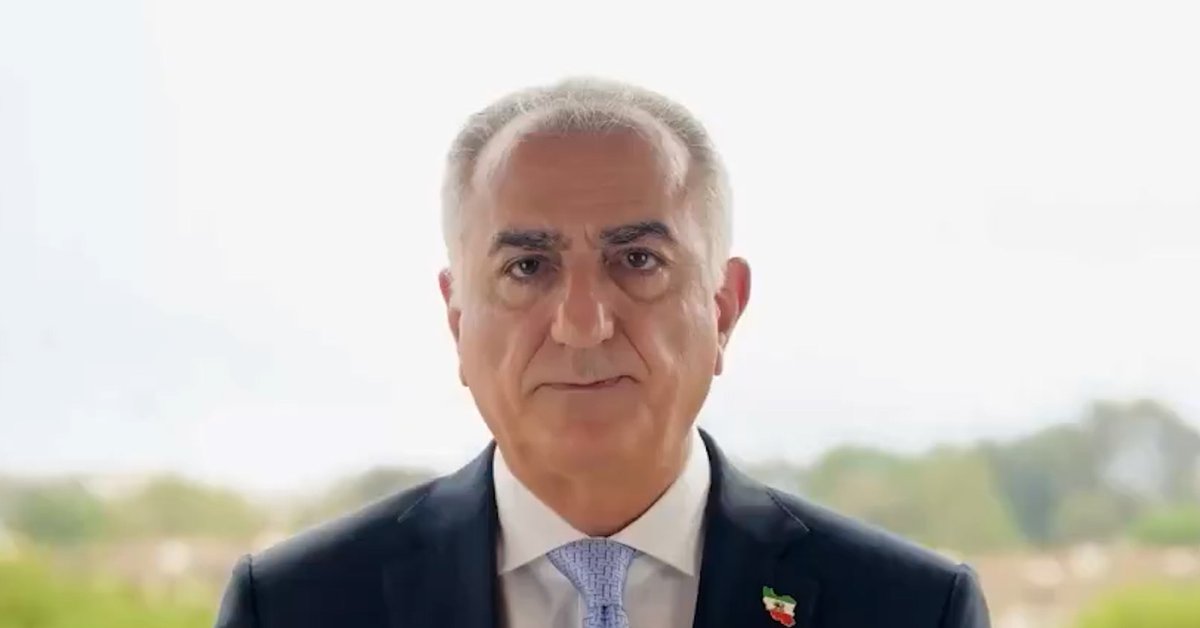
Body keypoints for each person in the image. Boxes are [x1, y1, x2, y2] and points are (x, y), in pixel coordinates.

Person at [214, 77, 991, 628]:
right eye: (528, 268)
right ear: (456, 318)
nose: (582, 325)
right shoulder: (293, 607)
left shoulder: (911, 610)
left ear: (724, 306)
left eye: (638, 261)